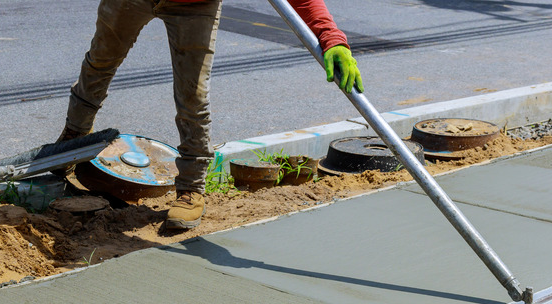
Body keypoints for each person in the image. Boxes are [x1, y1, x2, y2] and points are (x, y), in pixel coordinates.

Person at [58, 0, 364, 229]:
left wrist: (331, 37)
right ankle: (72, 141)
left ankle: (191, 188)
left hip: (193, 6)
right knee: (99, 63)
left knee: (193, 95)